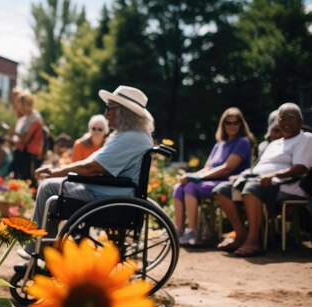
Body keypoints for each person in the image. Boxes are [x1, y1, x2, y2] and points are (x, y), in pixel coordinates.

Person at [32, 85, 155, 233]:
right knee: (56, 186)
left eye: (109, 107)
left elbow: (91, 168)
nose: (106, 113)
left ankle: (38, 246)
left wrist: (54, 172)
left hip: (109, 197)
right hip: (115, 192)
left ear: (123, 111)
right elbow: (92, 166)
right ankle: (46, 244)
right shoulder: (135, 135)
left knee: (48, 187)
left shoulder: (130, 138)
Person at [214, 102, 312, 257]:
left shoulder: (304, 138)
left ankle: (254, 241)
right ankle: (241, 236)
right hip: (259, 181)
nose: (286, 123)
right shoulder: (274, 143)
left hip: (287, 184)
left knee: (251, 189)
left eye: (290, 118)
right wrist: (243, 175)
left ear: (300, 120)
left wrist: (274, 176)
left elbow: (301, 168)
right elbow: (257, 167)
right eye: (282, 119)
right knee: (223, 191)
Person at [174, 107, 254, 245]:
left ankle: (193, 232)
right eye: (228, 123)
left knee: (190, 187)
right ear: (223, 125)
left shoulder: (243, 142)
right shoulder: (219, 145)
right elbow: (207, 168)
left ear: (241, 124)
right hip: (210, 181)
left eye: (236, 123)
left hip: (228, 183)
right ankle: (178, 231)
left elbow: (228, 168)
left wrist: (198, 178)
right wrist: (189, 176)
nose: (232, 126)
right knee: (178, 187)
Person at [11, 90, 45, 185]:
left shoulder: (35, 118)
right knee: (19, 176)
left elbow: (26, 138)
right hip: (23, 152)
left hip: (30, 154)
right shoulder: (26, 118)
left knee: (28, 179)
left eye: (20, 105)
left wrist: (13, 132)